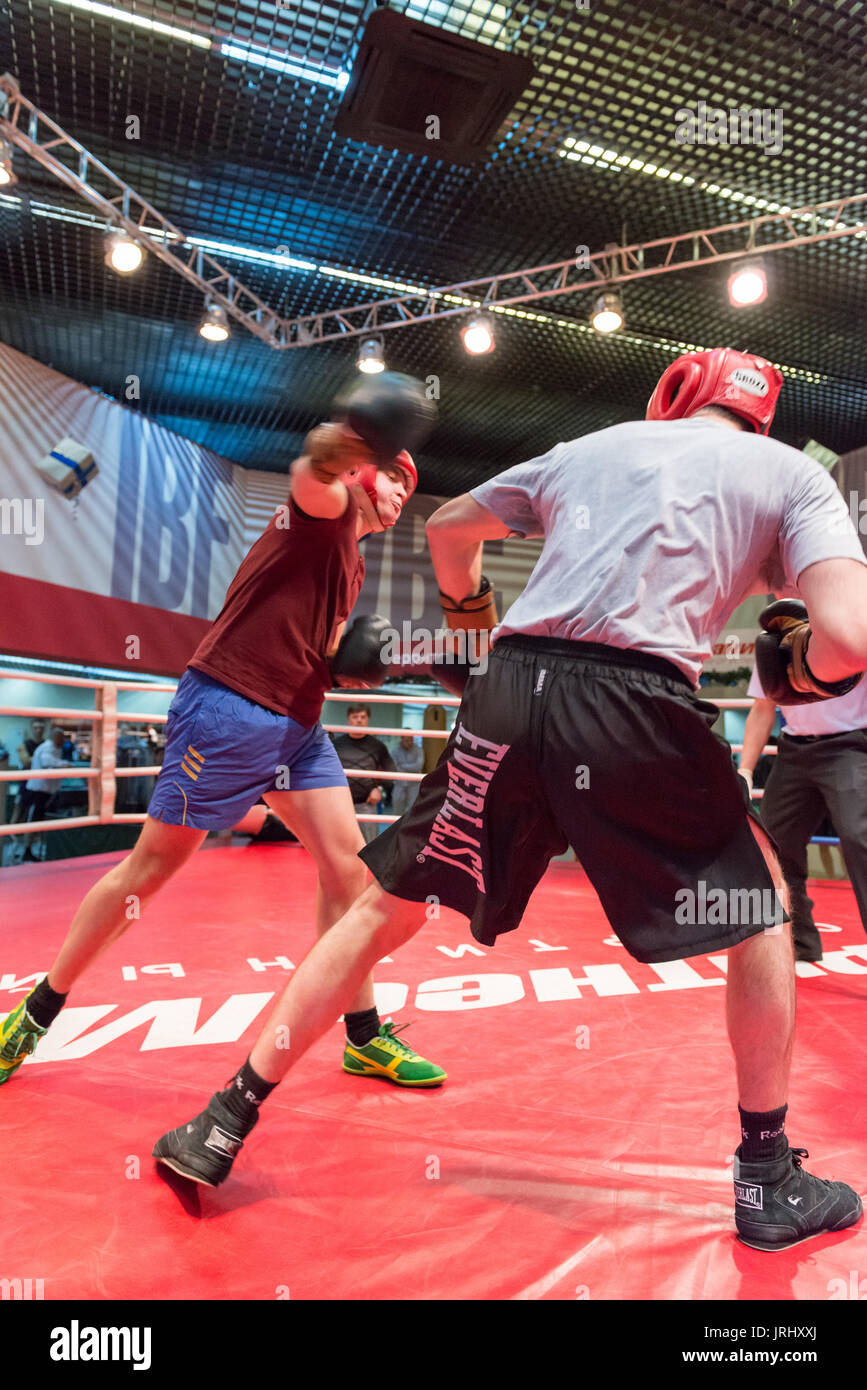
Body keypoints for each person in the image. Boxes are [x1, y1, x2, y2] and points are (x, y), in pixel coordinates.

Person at [149, 348, 867, 1257]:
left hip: (508, 689)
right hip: (636, 703)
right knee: (761, 914)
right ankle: (766, 1180)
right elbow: (847, 639)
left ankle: (218, 1122)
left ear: (672, 397)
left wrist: (472, 613)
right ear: (759, 419)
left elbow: (449, 527)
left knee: (382, 904)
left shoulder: (589, 447)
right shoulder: (790, 475)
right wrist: (797, 664)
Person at [0, 372, 444, 1092]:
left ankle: (362, 1033)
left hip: (295, 723)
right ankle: (36, 1012)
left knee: (349, 869)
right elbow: (311, 468)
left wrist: (353, 665)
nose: (401, 491)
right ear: (368, 468)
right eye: (394, 475)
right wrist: (354, 435)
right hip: (230, 708)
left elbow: (321, 648)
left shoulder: (351, 562)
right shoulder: (323, 510)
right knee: (151, 870)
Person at [738, 666, 867, 961]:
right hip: (794, 750)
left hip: (853, 746)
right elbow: (763, 706)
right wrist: (745, 770)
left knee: (861, 841)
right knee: (773, 843)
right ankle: (797, 943)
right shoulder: (777, 634)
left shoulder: (855, 625)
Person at [332, 705, 397, 843]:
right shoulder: (337, 744)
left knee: (368, 847)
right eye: (355, 717)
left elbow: (391, 771)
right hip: (340, 803)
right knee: (340, 846)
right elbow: (325, 771)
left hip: (366, 804)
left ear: (368, 720)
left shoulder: (376, 745)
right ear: (348, 720)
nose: (359, 720)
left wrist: (380, 789)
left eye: (363, 717)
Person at [21, 726, 73, 859]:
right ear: (55, 737)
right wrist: (63, 764)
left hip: (47, 791)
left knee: (41, 822)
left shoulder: (55, 748)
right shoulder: (47, 747)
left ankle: (35, 850)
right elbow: (46, 762)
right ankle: (27, 850)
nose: (63, 741)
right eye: (61, 738)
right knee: (34, 822)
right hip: (39, 791)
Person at [391, 732, 424, 817]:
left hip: (414, 785)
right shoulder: (394, 751)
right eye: (407, 740)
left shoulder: (419, 750)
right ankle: (396, 830)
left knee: (414, 812)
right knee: (397, 812)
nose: (410, 742)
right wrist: (410, 767)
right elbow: (394, 768)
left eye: (411, 740)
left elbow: (418, 766)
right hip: (399, 784)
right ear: (402, 739)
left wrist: (402, 765)